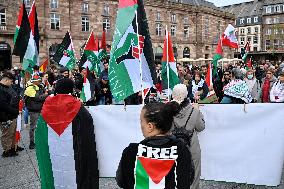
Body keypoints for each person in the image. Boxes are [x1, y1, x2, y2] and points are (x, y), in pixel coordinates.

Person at [35, 78, 99, 189]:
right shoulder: (78, 106)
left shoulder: (46, 106)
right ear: (71, 89)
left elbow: (39, 134)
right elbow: (88, 129)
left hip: (53, 154)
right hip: (75, 156)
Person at [116, 102, 195, 189]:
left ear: (150, 126)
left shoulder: (130, 152)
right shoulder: (182, 150)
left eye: (141, 121)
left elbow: (121, 181)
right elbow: (189, 178)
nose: (141, 124)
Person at [172, 84, 205, 189]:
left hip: (173, 145)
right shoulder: (194, 111)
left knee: (174, 171)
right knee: (194, 172)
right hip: (191, 145)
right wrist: (198, 111)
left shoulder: (167, 110)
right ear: (186, 95)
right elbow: (200, 127)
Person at [0, 72, 22, 157]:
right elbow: (3, 105)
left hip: (12, 115)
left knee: (12, 133)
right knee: (7, 134)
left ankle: (12, 148)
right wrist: (16, 111)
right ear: (6, 80)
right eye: (11, 81)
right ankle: (6, 151)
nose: (11, 83)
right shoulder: (1, 89)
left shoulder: (7, 87)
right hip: (5, 117)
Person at [24, 75, 48, 149]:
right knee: (33, 127)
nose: (40, 82)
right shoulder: (30, 88)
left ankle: (40, 141)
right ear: (34, 81)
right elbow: (38, 98)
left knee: (41, 126)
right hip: (34, 110)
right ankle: (32, 142)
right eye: (39, 81)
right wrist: (47, 94)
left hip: (41, 109)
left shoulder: (39, 86)